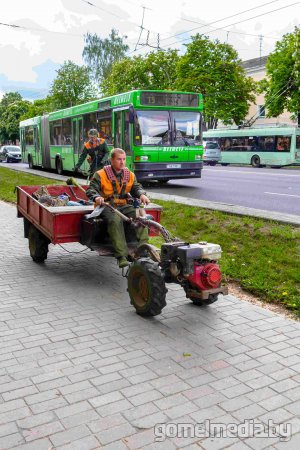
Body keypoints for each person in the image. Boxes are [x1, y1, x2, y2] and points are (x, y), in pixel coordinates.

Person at [86, 148, 150, 268]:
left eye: (124, 159)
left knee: (141, 215)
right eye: (119, 159)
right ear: (111, 160)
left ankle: (143, 250)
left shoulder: (129, 174)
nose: (122, 162)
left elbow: (136, 187)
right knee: (115, 220)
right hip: (106, 205)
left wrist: (142, 194)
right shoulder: (100, 174)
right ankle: (121, 256)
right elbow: (91, 189)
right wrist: (96, 197)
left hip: (124, 205)